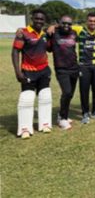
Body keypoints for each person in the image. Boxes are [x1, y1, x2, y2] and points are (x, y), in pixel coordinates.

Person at [12, 9, 52, 139]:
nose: (39, 21)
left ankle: (45, 124)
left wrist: (53, 29)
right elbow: (15, 52)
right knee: (27, 99)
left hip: (44, 70)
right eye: (37, 19)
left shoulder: (45, 34)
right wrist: (18, 72)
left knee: (45, 97)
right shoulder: (23, 33)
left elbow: (49, 48)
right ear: (32, 19)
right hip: (28, 71)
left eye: (42, 19)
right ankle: (25, 128)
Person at [47, 15, 78, 130]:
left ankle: (62, 114)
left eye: (69, 23)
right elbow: (47, 45)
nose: (66, 25)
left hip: (74, 68)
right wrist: (52, 26)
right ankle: (63, 119)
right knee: (67, 92)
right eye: (64, 23)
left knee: (70, 94)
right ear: (59, 23)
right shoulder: (53, 33)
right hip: (61, 69)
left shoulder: (74, 33)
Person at [72, 13, 95, 123]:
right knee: (84, 90)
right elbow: (64, 26)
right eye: (90, 21)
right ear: (87, 21)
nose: (93, 23)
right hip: (84, 66)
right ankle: (85, 113)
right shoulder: (80, 30)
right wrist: (53, 26)